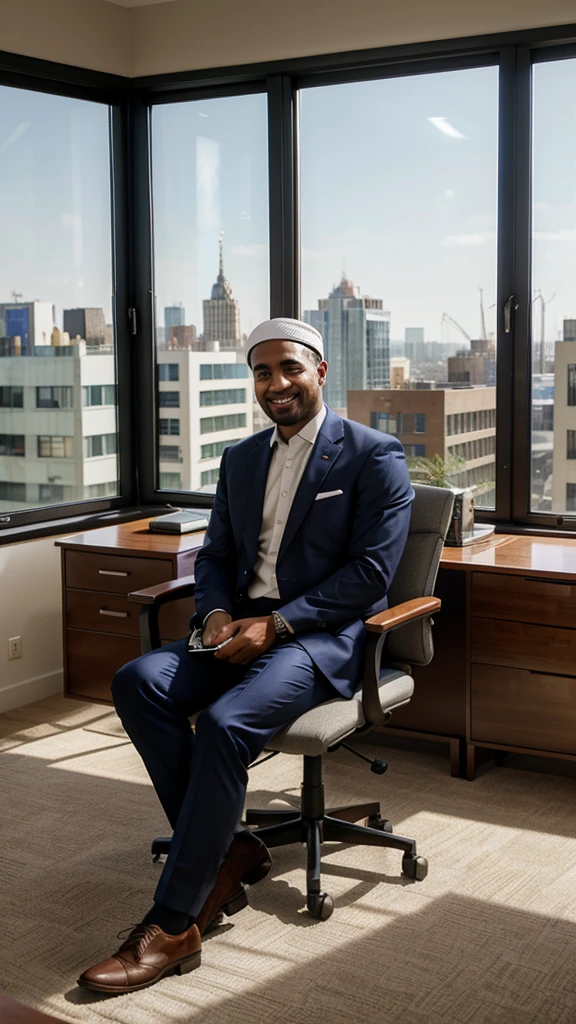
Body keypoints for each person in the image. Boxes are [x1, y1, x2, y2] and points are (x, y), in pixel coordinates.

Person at [78, 317, 414, 994]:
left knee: (228, 726)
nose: (276, 384)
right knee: (137, 680)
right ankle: (227, 849)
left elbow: (368, 576)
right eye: (262, 372)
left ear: (320, 371)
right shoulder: (241, 458)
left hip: (319, 639)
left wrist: (278, 626)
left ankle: (174, 922)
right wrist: (218, 614)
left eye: (289, 368)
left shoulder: (373, 455)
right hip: (238, 629)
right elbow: (218, 558)